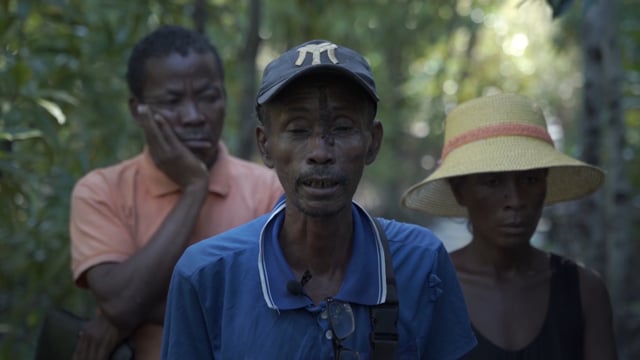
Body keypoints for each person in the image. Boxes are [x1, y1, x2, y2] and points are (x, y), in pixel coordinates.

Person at [161, 39, 477, 359]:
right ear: (265, 145)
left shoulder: (422, 262)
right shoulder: (207, 275)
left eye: (342, 128)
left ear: (373, 142)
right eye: (298, 130)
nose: (321, 153)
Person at [69, 25, 283, 360]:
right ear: (137, 110)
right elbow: (120, 301)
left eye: (209, 97)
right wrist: (195, 188)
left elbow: (277, 304)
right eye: (172, 101)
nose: (194, 116)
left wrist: (137, 309)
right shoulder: (101, 190)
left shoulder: (269, 190)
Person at [401, 93, 618, 359]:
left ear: (545, 184)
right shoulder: (427, 291)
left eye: (530, 179)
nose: (515, 201)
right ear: (459, 191)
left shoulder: (584, 291)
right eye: (492, 182)